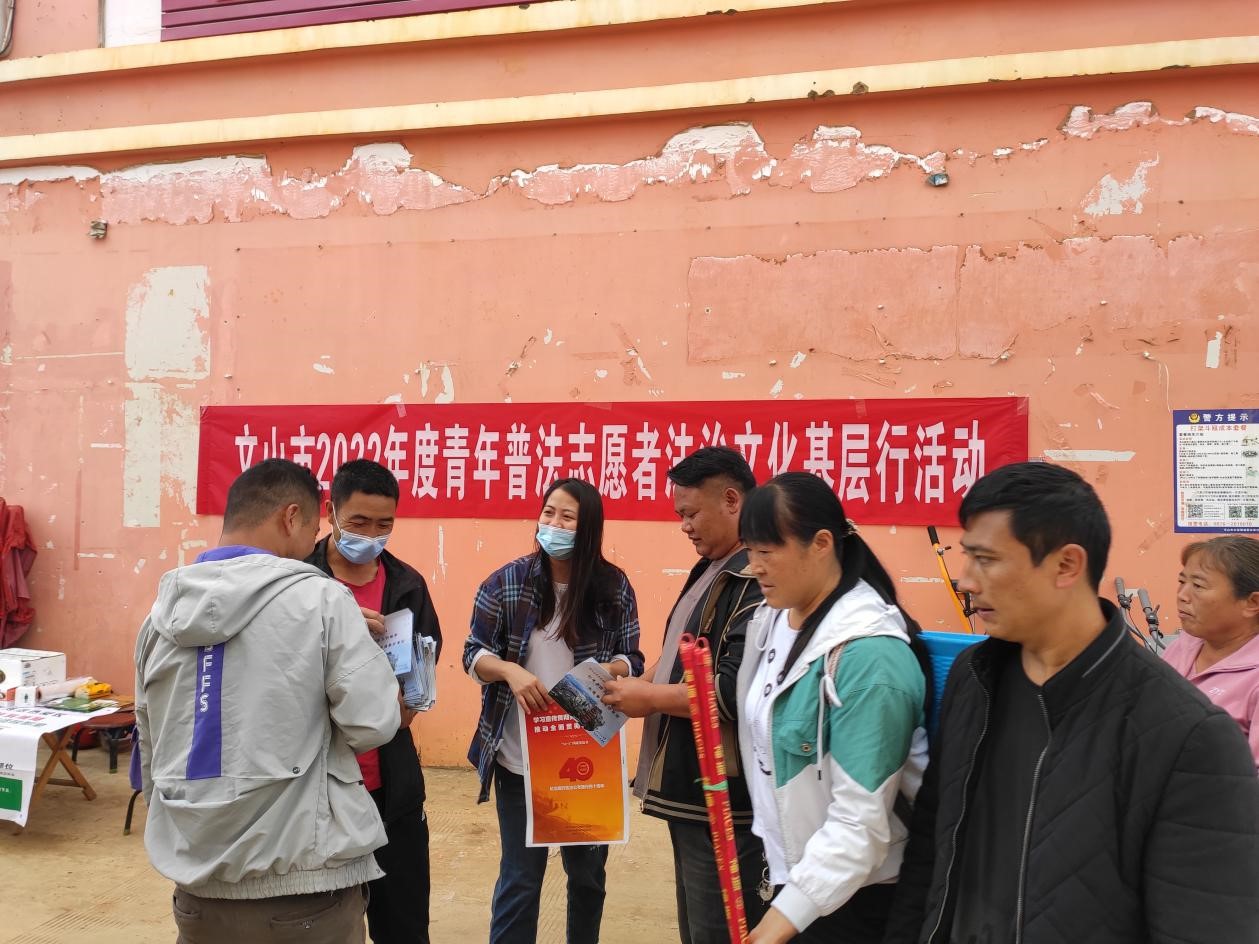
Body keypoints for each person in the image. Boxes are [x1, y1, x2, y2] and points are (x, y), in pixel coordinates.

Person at [885, 462, 1259, 944]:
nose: (966, 581)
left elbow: (1203, 922)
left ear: (1066, 565)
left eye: (987, 559)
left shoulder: (1189, 734)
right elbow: (931, 851)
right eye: (966, 557)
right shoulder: (973, 678)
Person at [134, 459, 401, 943]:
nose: (311, 547)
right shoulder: (322, 600)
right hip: (303, 882)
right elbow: (373, 723)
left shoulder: (158, 618)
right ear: (290, 517)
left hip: (197, 889)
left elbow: (150, 745)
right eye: (313, 532)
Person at [731, 472, 928, 944]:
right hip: (795, 878)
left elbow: (859, 824)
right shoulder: (772, 619)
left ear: (821, 543)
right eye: (750, 550)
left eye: (767, 551)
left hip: (857, 897)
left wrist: (783, 919)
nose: (754, 567)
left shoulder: (870, 657)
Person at [462, 477, 644, 944]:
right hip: (519, 759)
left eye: (567, 517)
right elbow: (473, 654)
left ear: (589, 529)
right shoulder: (506, 581)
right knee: (520, 879)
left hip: (587, 758)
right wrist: (509, 671)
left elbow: (633, 658)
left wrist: (606, 669)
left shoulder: (613, 586)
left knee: (587, 877)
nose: (554, 524)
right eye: (548, 513)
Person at [600, 446, 768, 944]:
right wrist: (630, 685)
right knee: (696, 926)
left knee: (719, 927)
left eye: (691, 514)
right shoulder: (712, 568)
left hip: (721, 795)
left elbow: (732, 690)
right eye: (680, 515)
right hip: (689, 791)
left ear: (732, 500)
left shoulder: (753, 578)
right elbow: (679, 656)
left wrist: (650, 698)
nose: (684, 526)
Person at [306, 459, 443, 944]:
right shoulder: (298, 582)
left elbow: (422, 671)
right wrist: (339, 634)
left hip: (390, 786)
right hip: (315, 789)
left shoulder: (408, 585)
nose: (371, 535)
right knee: (320, 926)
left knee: (403, 924)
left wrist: (407, 705)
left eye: (384, 525)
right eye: (359, 522)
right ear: (330, 512)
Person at [1165, 536, 1259, 767]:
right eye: (1182, 581)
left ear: (1252, 603)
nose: (1182, 595)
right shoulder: (1183, 646)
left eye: (1198, 586)